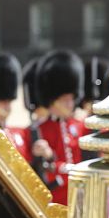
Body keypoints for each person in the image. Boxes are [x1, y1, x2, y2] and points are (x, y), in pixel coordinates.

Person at [30, 49, 87, 205]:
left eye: (72, 99)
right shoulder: (39, 130)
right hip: (55, 201)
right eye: (64, 100)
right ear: (52, 99)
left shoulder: (80, 125)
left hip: (81, 198)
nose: (70, 104)